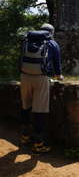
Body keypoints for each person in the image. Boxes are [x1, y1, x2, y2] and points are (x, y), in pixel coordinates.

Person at [20, 23, 63, 153]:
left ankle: (25, 137)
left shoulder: (27, 40)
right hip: (41, 78)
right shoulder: (52, 43)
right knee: (40, 110)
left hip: (24, 76)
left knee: (25, 106)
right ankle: (39, 143)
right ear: (51, 32)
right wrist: (58, 76)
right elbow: (57, 65)